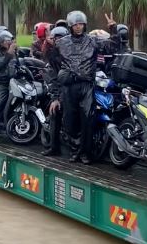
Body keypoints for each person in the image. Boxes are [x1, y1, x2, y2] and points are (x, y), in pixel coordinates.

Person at [56, 11, 120, 163]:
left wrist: (113, 29)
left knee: (88, 120)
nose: (78, 27)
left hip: (86, 86)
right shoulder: (62, 42)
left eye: (81, 24)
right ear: (71, 26)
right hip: (69, 86)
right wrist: (61, 76)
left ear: (84, 25)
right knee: (70, 120)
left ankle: (85, 153)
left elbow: (112, 46)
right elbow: (52, 60)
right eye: (75, 25)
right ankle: (74, 151)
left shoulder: (92, 40)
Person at [42, 26, 69, 156]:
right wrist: (56, 98)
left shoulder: (73, 51)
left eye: (61, 38)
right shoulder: (52, 55)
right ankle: (54, 147)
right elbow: (53, 79)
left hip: (76, 88)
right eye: (56, 38)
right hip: (61, 89)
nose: (59, 41)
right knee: (55, 113)